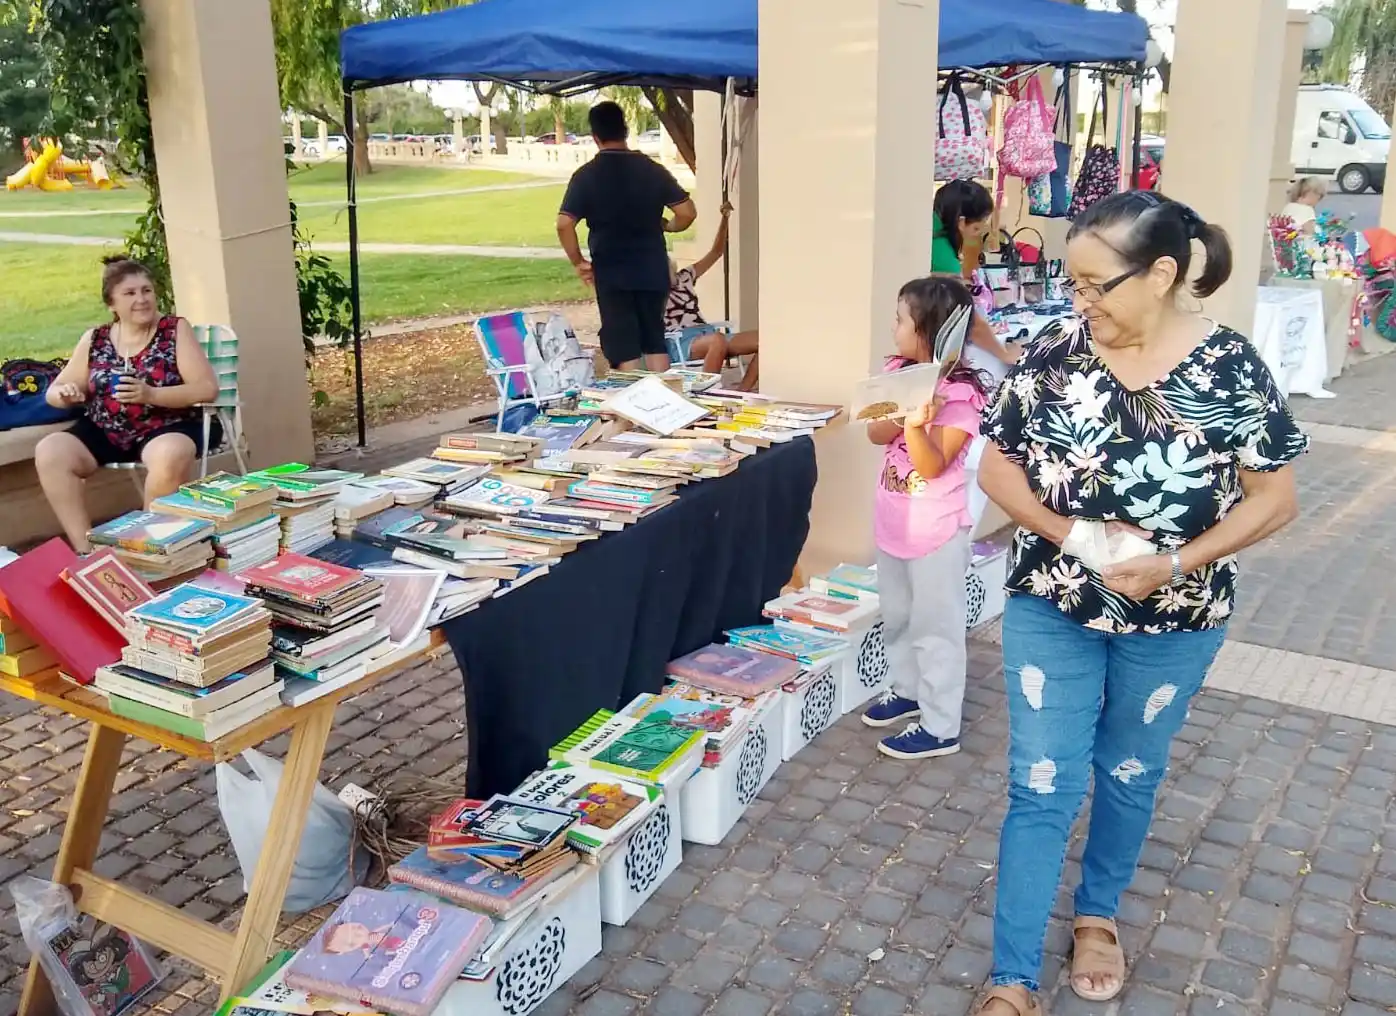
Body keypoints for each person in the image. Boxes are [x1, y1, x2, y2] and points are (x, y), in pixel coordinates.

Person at [973, 192, 1307, 1015]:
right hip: (1052, 602)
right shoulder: (1055, 350)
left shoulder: (1231, 367)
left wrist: (1175, 561)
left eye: (1096, 285)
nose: (1079, 302)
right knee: (1041, 782)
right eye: (1073, 282)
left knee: (1127, 772)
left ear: (1161, 275)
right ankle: (1012, 979)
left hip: (1178, 618)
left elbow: (1276, 499)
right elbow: (996, 467)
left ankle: (1096, 917)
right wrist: (1074, 536)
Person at [860, 276, 993, 760]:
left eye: (901, 320)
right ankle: (908, 689)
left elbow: (933, 464)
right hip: (893, 520)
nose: (893, 328)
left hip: (936, 530)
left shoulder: (961, 395)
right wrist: (901, 408)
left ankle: (940, 725)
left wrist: (918, 422)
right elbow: (876, 433)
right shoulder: (897, 370)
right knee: (897, 616)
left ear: (930, 330)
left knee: (935, 626)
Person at [36, 257, 220, 554]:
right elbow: (54, 392)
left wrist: (151, 395)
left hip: (168, 425)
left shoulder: (174, 330)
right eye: (130, 293)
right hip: (105, 429)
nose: (142, 299)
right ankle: (87, 550)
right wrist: (65, 393)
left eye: (146, 291)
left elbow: (206, 388)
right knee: (51, 452)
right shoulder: (95, 338)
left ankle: (148, 552)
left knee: (171, 453)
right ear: (112, 303)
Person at [557, 102, 698, 371]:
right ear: (626, 130)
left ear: (595, 136)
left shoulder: (586, 176)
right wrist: (668, 227)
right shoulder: (652, 169)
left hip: (612, 272)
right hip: (652, 269)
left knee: (625, 346)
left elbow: (564, 224)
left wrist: (578, 262)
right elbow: (687, 212)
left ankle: (633, 410)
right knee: (654, 340)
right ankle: (665, 408)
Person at [665, 202, 761, 390]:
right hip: (679, 341)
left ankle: (742, 390)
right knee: (717, 340)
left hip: (706, 333)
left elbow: (716, 252)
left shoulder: (685, 276)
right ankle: (708, 392)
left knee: (764, 339)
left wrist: (725, 219)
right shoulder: (648, 290)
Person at [931, 180, 1021, 372]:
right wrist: (1005, 354)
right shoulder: (943, 256)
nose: (975, 237)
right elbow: (969, 322)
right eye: (976, 229)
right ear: (961, 222)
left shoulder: (926, 228)